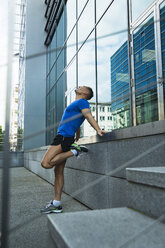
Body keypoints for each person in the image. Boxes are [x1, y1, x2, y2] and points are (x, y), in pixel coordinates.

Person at [40, 86, 107, 213]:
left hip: (63, 137)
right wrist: (77, 136)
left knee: (45, 163)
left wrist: (97, 129)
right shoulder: (76, 104)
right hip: (67, 137)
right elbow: (76, 121)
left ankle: (75, 151)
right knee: (58, 171)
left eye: (82, 87)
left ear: (84, 93)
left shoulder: (82, 102)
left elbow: (88, 116)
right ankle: (56, 203)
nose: (79, 86)